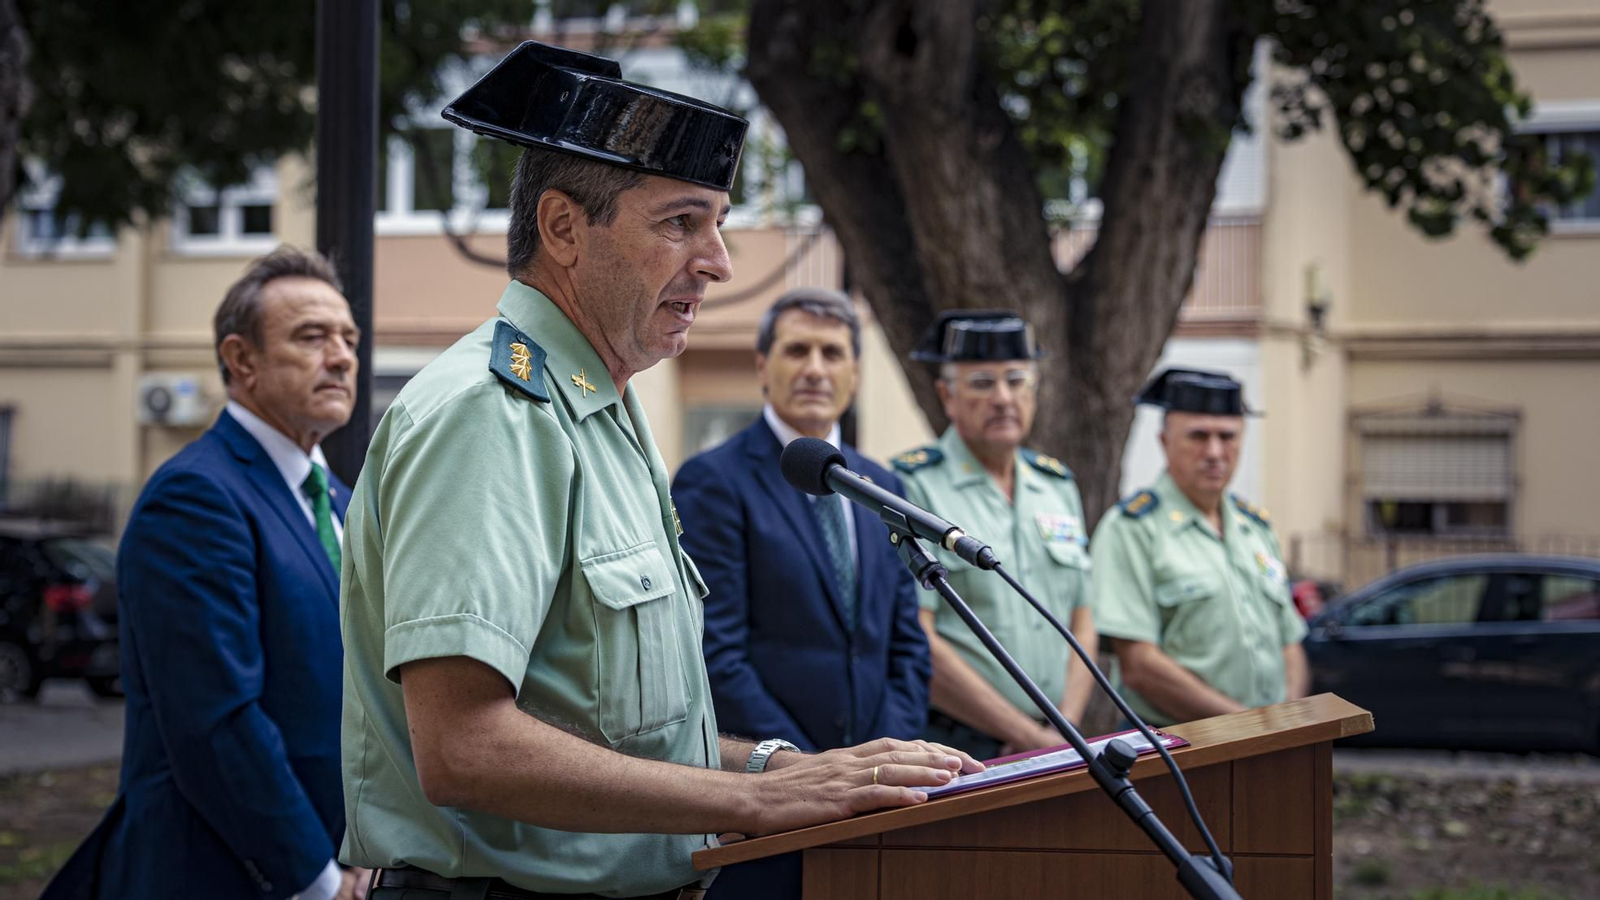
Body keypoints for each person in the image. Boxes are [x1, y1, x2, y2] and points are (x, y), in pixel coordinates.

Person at [338, 42, 979, 900]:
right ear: (564, 228)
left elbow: (604, 732)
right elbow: (465, 747)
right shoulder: (491, 414)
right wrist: (759, 799)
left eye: (717, 223)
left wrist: (779, 764)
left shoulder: (599, 408)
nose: (717, 260)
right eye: (681, 223)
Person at [42, 247, 366, 900]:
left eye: (349, 339)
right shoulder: (195, 498)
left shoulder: (337, 497)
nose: (341, 357)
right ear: (240, 360)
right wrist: (319, 880)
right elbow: (216, 722)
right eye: (312, 337)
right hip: (217, 873)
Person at [673, 288, 932, 900]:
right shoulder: (714, 481)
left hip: (879, 809)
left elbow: (906, 647)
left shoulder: (885, 486)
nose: (815, 367)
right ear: (763, 366)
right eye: (796, 350)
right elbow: (717, 655)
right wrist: (809, 773)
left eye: (832, 352)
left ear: (855, 372)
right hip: (768, 809)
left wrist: (879, 766)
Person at [893, 311, 1098, 760]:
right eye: (983, 383)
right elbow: (916, 634)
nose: (1004, 398)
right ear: (947, 395)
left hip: (1060, 735)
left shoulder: (1057, 485)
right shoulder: (912, 487)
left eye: (1017, 380)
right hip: (960, 744)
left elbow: (1083, 615)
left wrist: (1064, 725)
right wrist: (1026, 735)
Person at [1090, 368, 1310, 728]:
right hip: (1178, 747)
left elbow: (1289, 641)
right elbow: (1139, 665)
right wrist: (1250, 726)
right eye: (1198, 436)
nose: (1214, 452)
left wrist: (1289, 722)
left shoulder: (1254, 527)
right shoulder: (1132, 528)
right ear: (1164, 441)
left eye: (1227, 437)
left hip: (1270, 745)